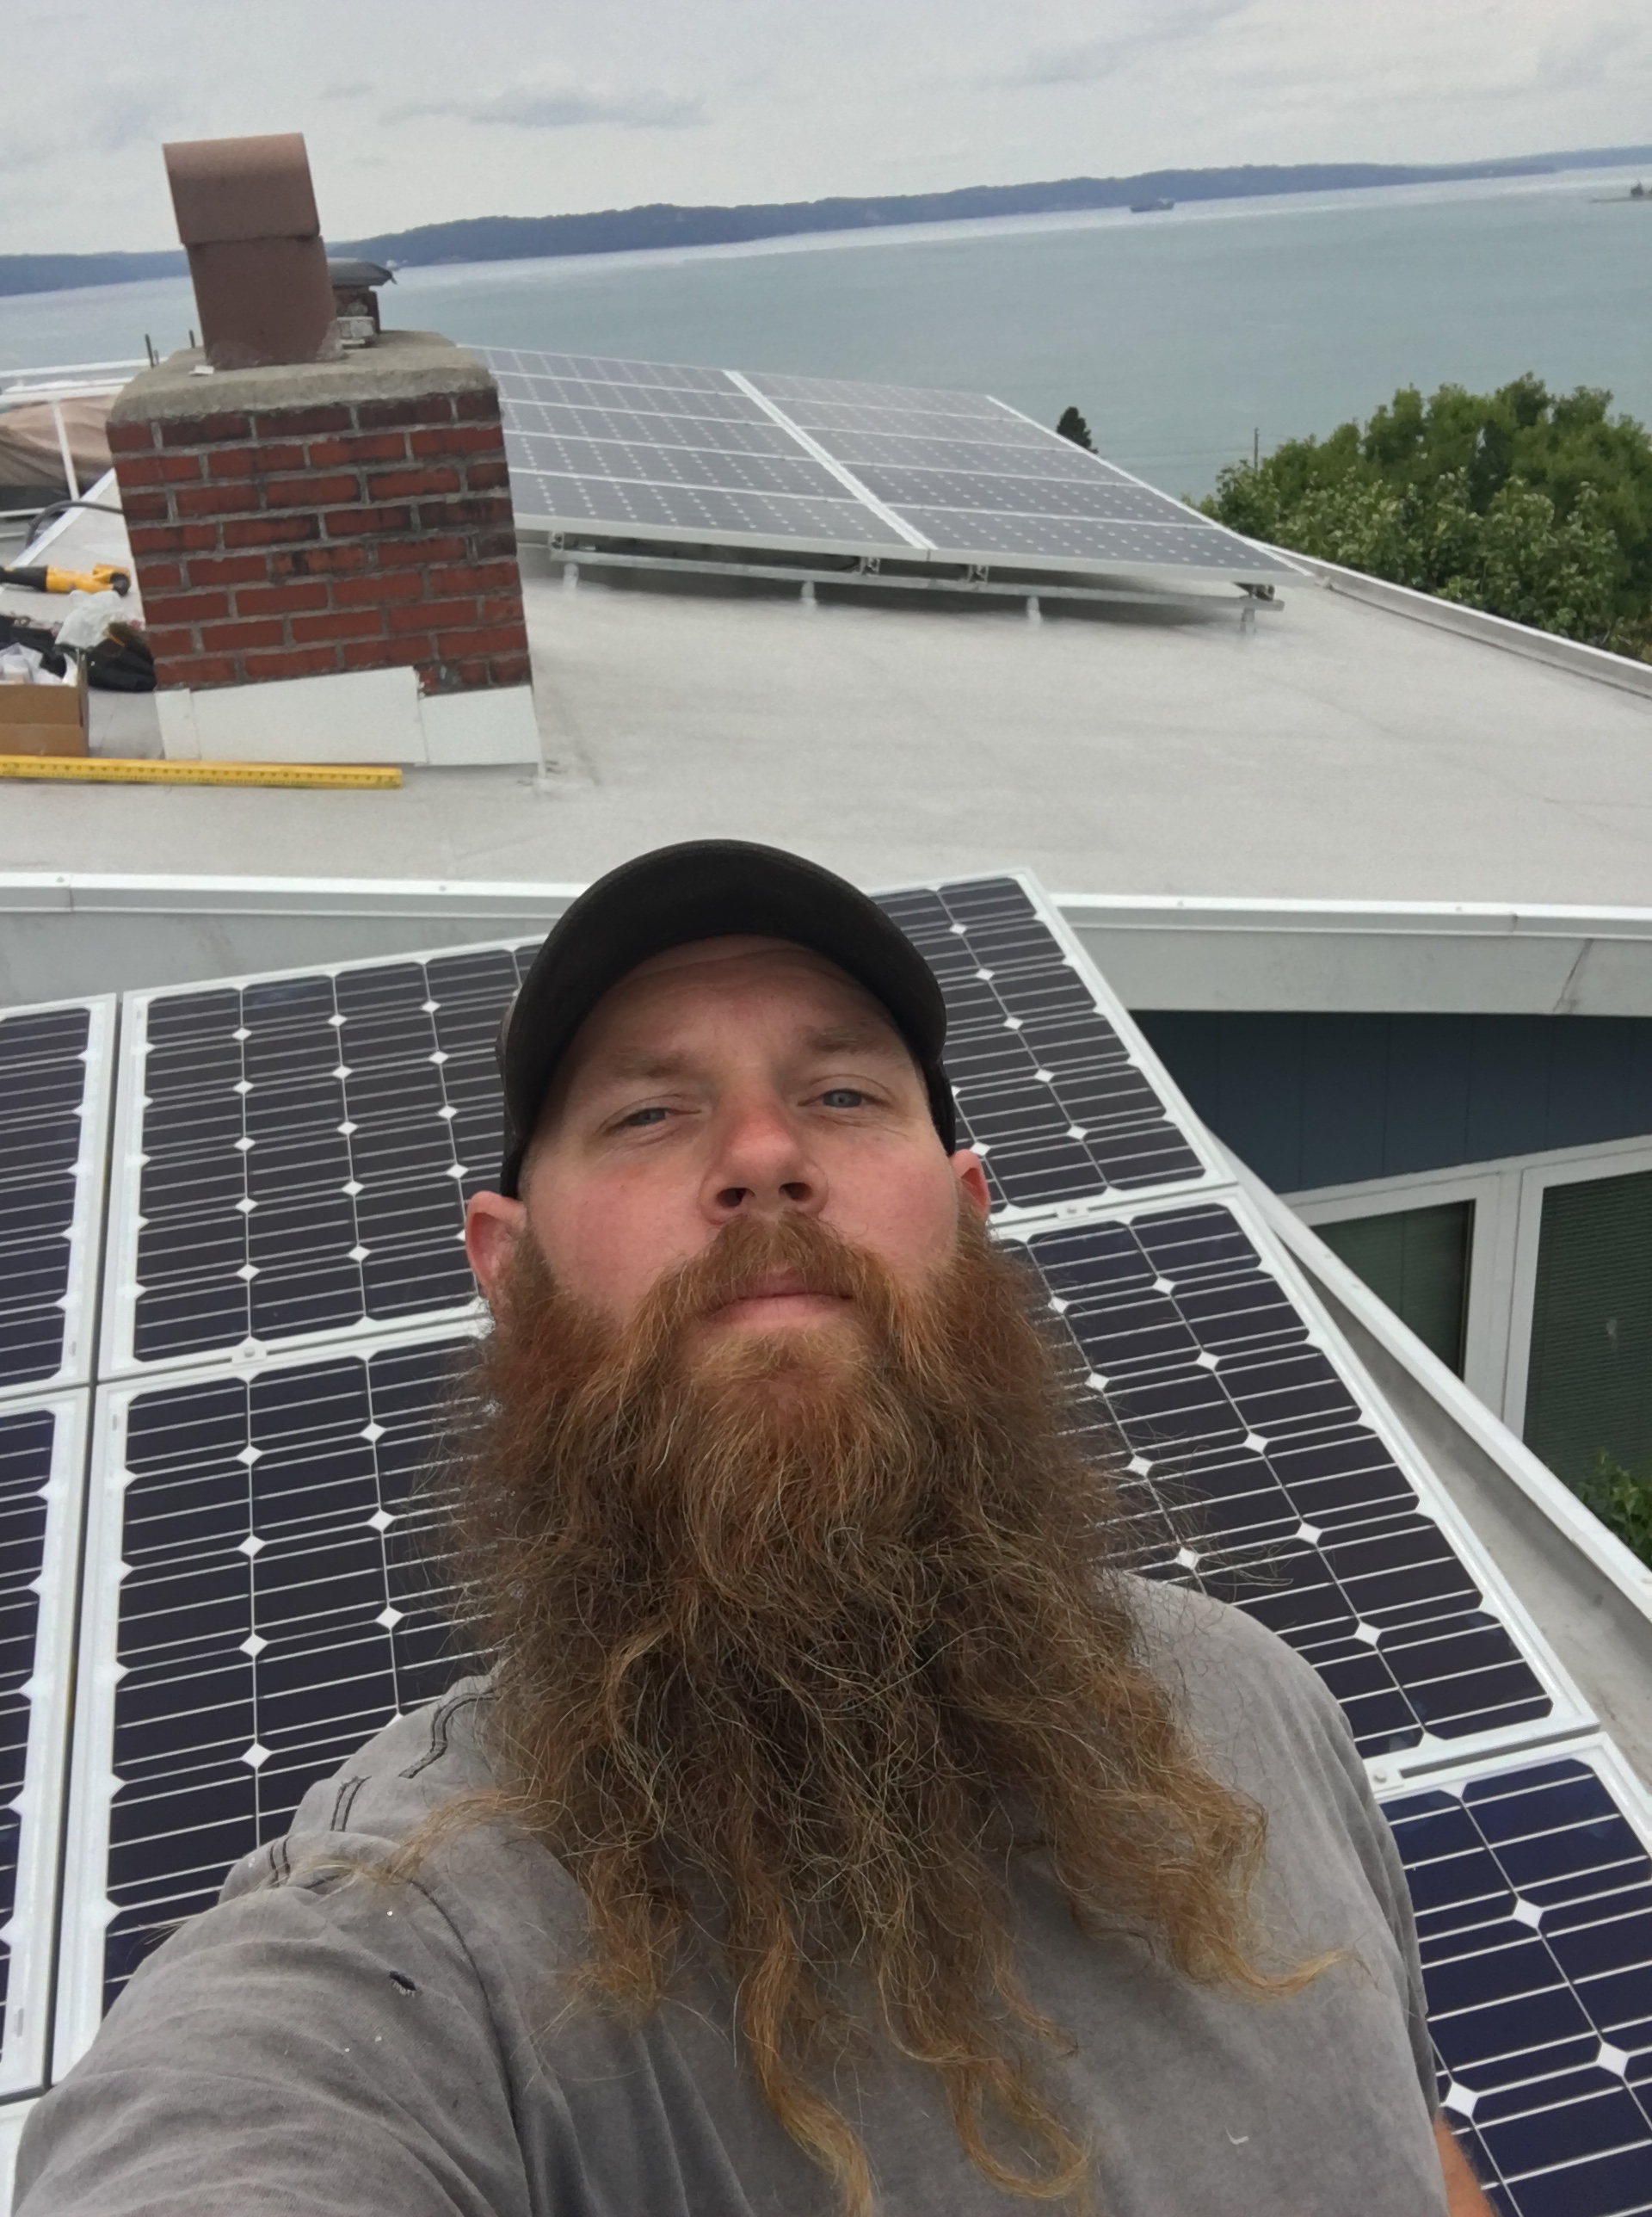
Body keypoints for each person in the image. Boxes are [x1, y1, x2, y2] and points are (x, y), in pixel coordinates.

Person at [17, 841, 1491, 2216]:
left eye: (843, 1096)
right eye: (649, 1113)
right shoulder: (413, 1941)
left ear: (967, 1214)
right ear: (508, 1269)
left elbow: (1409, 2143)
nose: (767, 1154)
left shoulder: (1251, 1701)